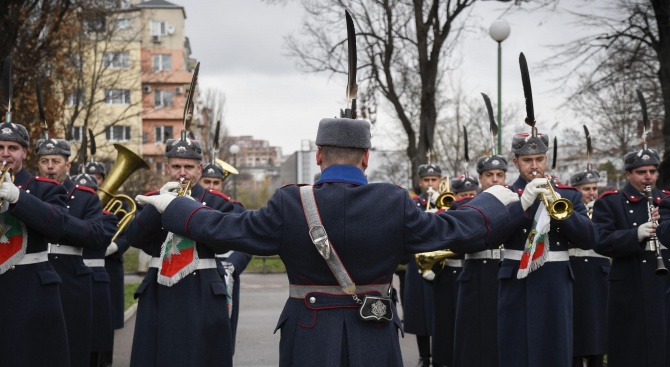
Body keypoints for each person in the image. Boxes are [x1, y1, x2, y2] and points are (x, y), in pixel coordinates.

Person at [138, 117, 520, 367]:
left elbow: (225, 228)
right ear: (366, 158)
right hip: (375, 329)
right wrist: (500, 198)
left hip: (308, 333)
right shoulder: (394, 201)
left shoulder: (290, 202)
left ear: (318, 155)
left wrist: (173, 207)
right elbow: (456, 229)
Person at [124, 136, 245, 367]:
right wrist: (157, 207)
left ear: (199, 170)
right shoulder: (152, 198)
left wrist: (193, 210)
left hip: (202, 291)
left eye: (189, 167)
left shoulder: (215, 201)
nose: (183, 173)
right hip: (159, 293)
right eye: (177, 166)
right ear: (167, 168)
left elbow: (225, 242)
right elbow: (133, 238)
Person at [497, 128, 597, 367]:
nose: (534, 166)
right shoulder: (504, 195)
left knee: (555, 348)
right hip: (516, 281)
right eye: (527, 160)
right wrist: (522, 203)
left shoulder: (568, 195)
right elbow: (490, 236)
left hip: (555, 283)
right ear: (515, 162)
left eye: (539, 159)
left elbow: (590, 238)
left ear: (546, 159)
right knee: (516, 349)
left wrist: (561, 212)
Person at [0, 119, 71, 366]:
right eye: (0, 147)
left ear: (25, 153)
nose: (5, 153)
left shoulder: (44, 188)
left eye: (12, 148)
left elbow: (59, 227)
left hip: (30, 290)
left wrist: (19, 198)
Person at [595, 148, 670, 367]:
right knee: (631, 347)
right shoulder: (611, 202)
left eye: (652, 171)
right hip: (630, 284)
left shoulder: (665, 201)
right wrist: (635, 234)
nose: (648, 177)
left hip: (663, 284)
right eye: (641, 172)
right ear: (628, 174)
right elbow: (600, 240)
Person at [37, 138, 108, 367]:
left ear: (67, 166)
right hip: (35, 273)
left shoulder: (86, 196)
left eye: (55, 161)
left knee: (73, 343)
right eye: (44, 161)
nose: (49, 166)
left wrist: (59, 221)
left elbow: (97, 235)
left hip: (71, 278)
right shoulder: (30, 191)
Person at [452, 155, 508, 367]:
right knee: (475, 340)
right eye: (489, 175)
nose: (494, 179)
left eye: (499, 175)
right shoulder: (466, 205)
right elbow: (457, 243)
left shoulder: (518, 200)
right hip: (477, 275)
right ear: (480, 177)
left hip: (507, 274)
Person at [199, 160, 252, 354]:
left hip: (227, 274)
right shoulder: (192, 206)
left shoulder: (236, 209)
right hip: (198, 272)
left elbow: (247, 244)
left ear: (222, 184)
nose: (212, 186)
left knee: (224, 328)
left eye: (216, 182)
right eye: (206, 182)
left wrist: (233, 266)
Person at [429, 174, 478, 367]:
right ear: (455, 196)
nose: (468, 197)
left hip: (470, 274)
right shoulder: (446, 215)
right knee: (446, 324)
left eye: (472, 194)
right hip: (448, 275)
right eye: (464, 194)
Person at [73, 172, 118, 367]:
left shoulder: (108, 217)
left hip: (96, 279)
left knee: (96, 335)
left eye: (90, 192)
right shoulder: (65, 213)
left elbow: (97, 240)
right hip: (70, 276)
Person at [568, 169, 609, 367]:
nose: (592, 193)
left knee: (597, 333)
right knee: (574, 333)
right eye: (586, 189)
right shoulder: (568, 209)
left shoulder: (604, 210)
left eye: (594, 188)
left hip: (598, 277)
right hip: (575, 275)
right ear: (576, 191)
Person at [406, 163, 442, 367]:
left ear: (440, 181)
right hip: (418, 264)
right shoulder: (413, 204)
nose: (430, 184)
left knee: (439, 312)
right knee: (420, 313)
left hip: (441, 265)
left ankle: (438, 355)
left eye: (434, 180)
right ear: (420, 182)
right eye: (426, 180)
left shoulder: (447, 201)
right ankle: (424, 356)